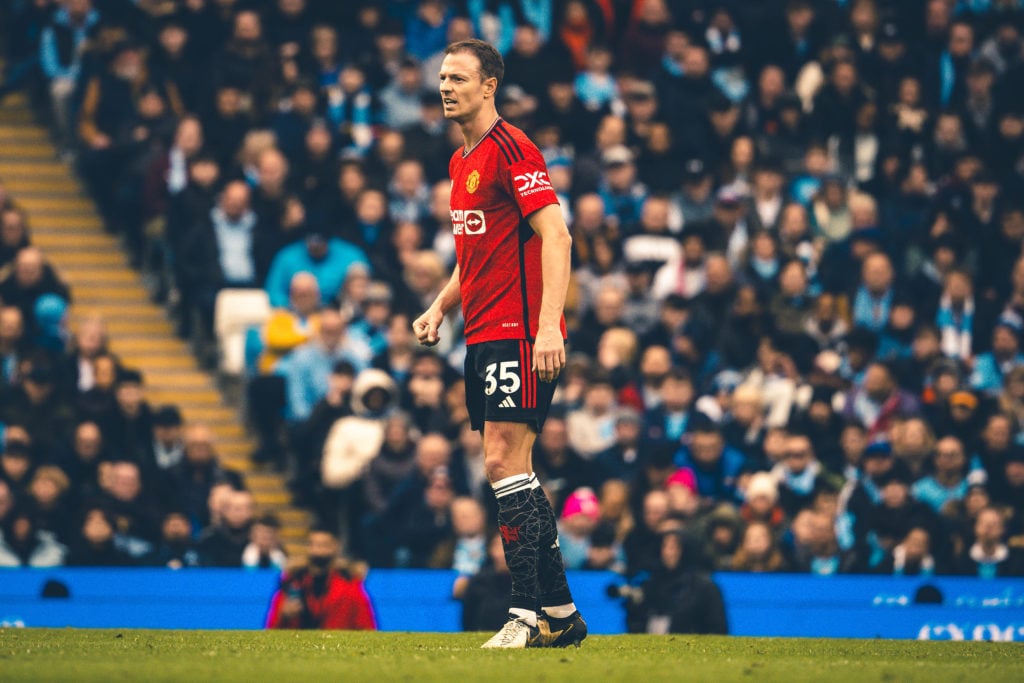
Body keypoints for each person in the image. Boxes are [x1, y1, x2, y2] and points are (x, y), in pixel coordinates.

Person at [413, 39, 583, 650]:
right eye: (441, 77)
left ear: (489, 86)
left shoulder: (514, 148)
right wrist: (439, 306)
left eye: (458, 77)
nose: (445, 86)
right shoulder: (462, 163)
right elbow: (474, 253)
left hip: (519, 331)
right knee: (515, 472)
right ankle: (561, 613)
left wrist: (546, 325)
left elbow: (557, 237)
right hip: (481, 331)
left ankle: (524, 614)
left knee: (502, 463)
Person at [266, 527, 376, 630]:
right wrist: (284, 615)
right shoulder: (292, 581)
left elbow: (366, 627)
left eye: (324, 545)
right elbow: (271, 628)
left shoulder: (350, 584)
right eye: (313, 544)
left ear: (336, 547)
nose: (317, 550)